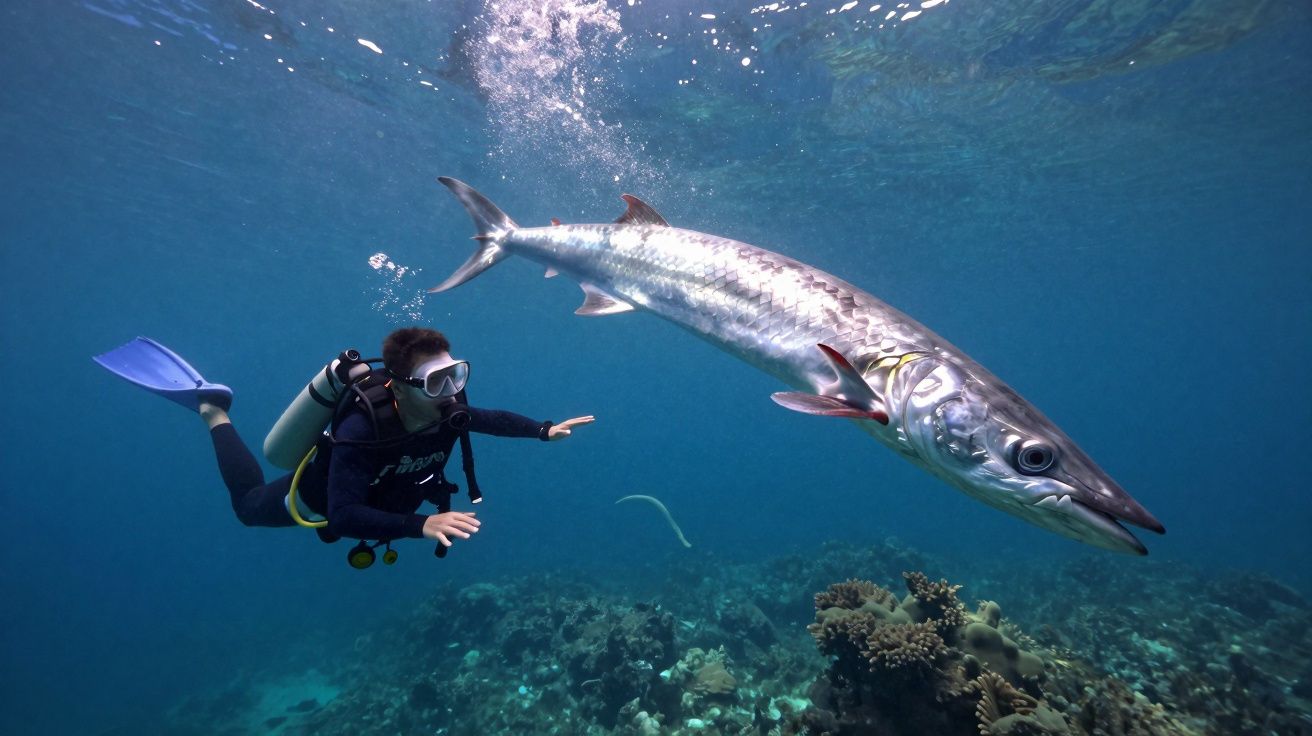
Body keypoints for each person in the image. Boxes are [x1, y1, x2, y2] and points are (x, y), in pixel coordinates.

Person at [94, 328, 593, 560]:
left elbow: (490, 419)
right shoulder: (361, 430)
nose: (454, 393)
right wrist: (421, 524)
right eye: (438, 381)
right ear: (398, 387)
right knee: (247, 508)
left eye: (456, 375)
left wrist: (541, 429)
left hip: (387, 496)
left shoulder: (448, 411)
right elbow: (344, 513)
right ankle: (214, 411)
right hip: (318, 495)